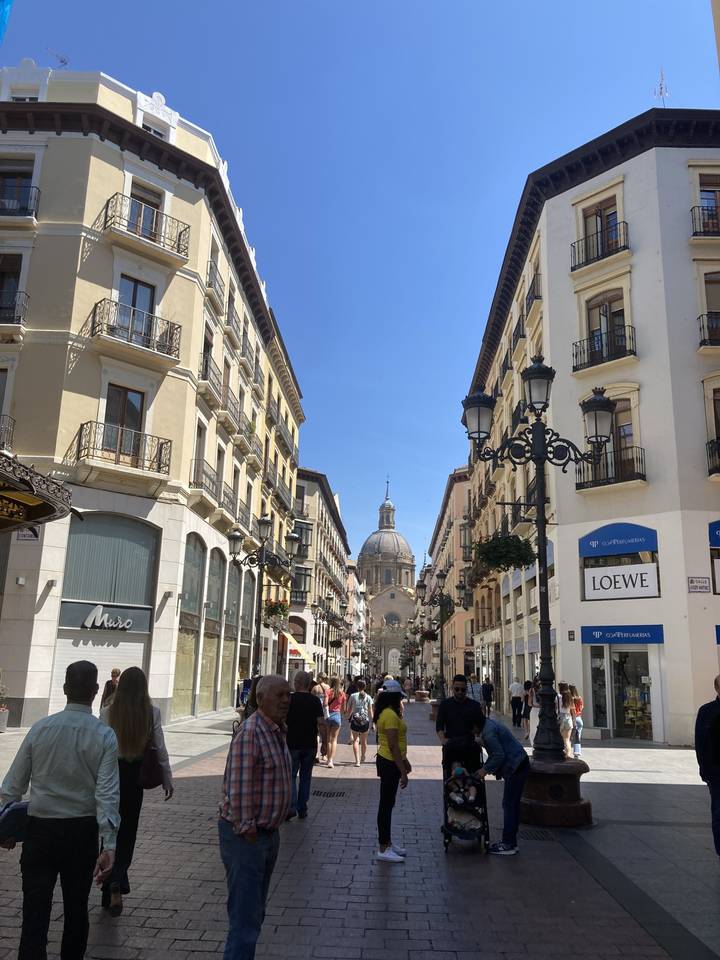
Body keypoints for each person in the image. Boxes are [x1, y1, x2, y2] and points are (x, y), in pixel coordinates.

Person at [0, 661, 119, 959]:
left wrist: (3, 826)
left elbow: (12, 786)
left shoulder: (41, 728)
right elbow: (106, 794)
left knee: (34, 914)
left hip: (40, 831)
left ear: (64, 689)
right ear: (95, 692)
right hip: (81, 832)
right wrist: (110, 843)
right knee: (77, 912)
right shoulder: (104, 736)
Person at [219, 674, 292, 959]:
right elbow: (238, 786)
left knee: (254, 912)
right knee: (245, 918)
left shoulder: (275, 730)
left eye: (288, 695)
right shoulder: (252, 733)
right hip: (247, 837)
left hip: (266, 834)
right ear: (260, 699)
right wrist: (248, 828)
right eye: (280, 695)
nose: (286, 700)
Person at [100, 666, 173, 916]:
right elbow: (160, 748)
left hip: (111, 775)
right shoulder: (151, 712)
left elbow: (101, 749)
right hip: (135, 777)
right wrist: (167, 778)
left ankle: (108, 885)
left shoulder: (108, 712)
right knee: (128, 830)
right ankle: (118, 877)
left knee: (109, 827)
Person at [474, 711, 530, 855]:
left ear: (475, 725)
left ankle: (508, 844)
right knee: (512, 804)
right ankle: (511, 841)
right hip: (519, 763)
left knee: (509, 805)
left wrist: (484, 770)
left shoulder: (488, 733)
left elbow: (498, 755)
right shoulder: (488, 726)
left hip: (515, 767)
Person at [374, 680, 411, 862]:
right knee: (386, 805)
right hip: (389, 762)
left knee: (388, 803)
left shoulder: (387, 713)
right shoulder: (389, 715)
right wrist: (402, 770)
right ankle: (383, 847)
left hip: (389, 760)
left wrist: (405, 761)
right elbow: (393, 744)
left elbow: (397, 744)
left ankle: (387, 843)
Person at [286, 671, 323, 820]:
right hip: (310, 745)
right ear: (308, 684)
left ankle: (291, 807)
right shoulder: (315, 701)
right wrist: (325, 743)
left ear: (296, 683)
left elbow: (281, 720)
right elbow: (321, 722)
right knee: (306, 777)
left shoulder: (289, 699)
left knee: (291, 776)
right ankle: (303, 808)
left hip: (292, 744)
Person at [436, 674, 485, 772]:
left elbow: (481, 725)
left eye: (463, 690)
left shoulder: (474, 705)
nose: (460, 692)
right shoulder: (445, 705)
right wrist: (443, 739)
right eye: (457, 689)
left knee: (474, 766)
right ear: (452, 688)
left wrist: (478, 737)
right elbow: (439, 726)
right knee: (450, 767)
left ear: (466, 689)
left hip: (469, 743)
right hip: (452, 743)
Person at [695, 674, 720, 858]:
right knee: (719, 813)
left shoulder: (706, 711)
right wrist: (704, 770)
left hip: (714, 771)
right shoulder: (707, 711)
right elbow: (701, 743)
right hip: (716, 771)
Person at [345, 679, 372, 765]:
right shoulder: (368, 697)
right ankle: (363, 756)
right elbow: (370, 711)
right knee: (364, 741)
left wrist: (348, 716)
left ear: (357, 687)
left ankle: (357, 761)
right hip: (365, 721)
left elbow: (349, 709)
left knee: (356, 740)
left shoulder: (353, 696)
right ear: (365, 687)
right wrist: (373, 722)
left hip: (355, 720)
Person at [324, 677, 346, 768]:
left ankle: (328, 758)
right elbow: (344, 709)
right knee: (334, 740)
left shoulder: (328, 692)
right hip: (337, 716)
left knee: (328, 739)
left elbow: (325, 704)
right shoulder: (342, 693)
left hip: (328, 716)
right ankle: (331, 761)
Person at [311, 674, 330, 762]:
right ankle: (324, 754)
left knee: (316, 734)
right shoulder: (328, 687)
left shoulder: (315, 688)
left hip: (315, 712)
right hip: (325, 713)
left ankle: (316, 754)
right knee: (325, 735)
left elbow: (311, 699)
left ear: (320, 678)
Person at [558, 688, 576, 758]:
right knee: (567, 739)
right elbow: (574, 712)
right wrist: (574, 722)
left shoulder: (559, 699)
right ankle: (568, 754)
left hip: (561, 718)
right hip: (568, 718)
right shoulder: (570, 701)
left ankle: (565, 753)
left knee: (562, 739)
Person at [569, 684, 584, 758]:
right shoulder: (579, 698)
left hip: (572, 718)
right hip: (579, 718)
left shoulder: (570, 699)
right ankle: (577, 752)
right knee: (577, 736)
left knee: (568, 736)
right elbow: (582, 707)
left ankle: (569, 751)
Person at [529, 676, 541, 744]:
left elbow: (529, 703)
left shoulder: (531, 690)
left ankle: (533, 743)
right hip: (541, 710)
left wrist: (536, 705)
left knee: (533, 728)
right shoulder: (543, 689)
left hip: (534, 711)